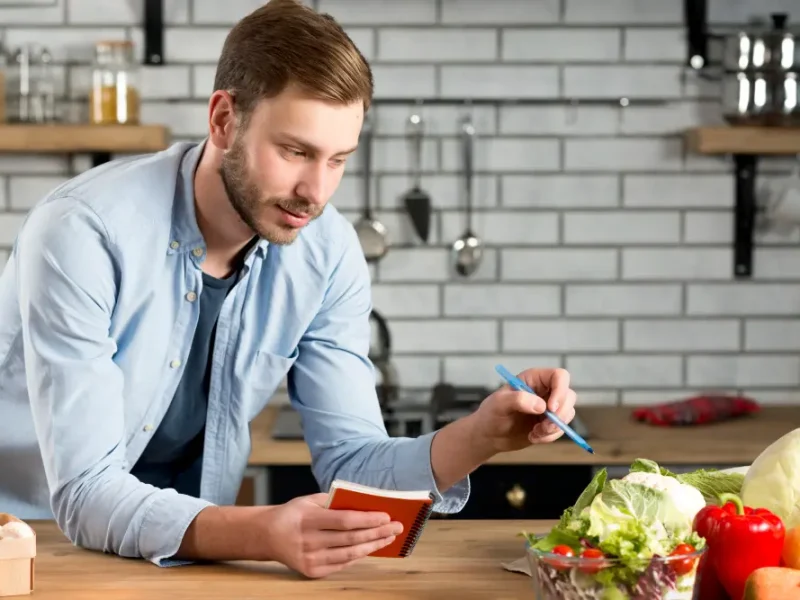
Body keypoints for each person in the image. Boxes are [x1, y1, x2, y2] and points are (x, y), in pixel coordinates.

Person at [0, 0, 578, 579]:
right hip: (36, 553)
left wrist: (480, 435)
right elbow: (84, 493)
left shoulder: (328, 253)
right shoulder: (83, 232)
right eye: (295, 152)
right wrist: (262, 531)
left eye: (338, 160)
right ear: (224, 120)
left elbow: (353, 467)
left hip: (203, 558)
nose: (315, 190)